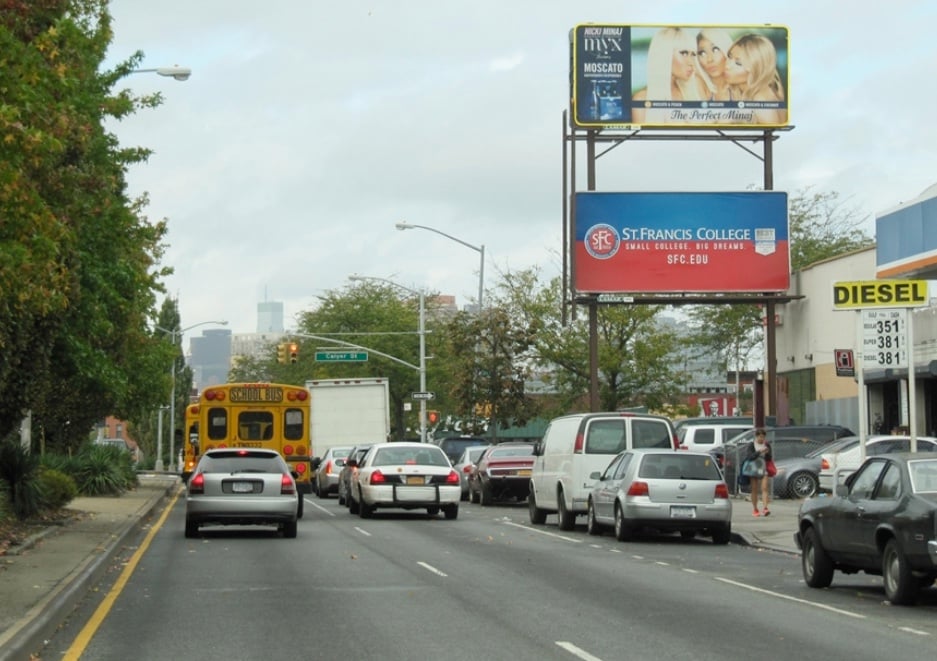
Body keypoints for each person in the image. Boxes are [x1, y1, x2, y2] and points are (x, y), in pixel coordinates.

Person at [631, 26, 702, 124]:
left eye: (693, 54)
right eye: (684, 53)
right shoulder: (641, 100)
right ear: (664, 54)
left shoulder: (691, 94)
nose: (692, 62)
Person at [724, 33, 787, 124]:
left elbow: (773, 133)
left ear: (756, 68)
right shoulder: (754, 93)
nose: (727, 65)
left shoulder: (760, 101)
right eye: (729, 57)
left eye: (738, 63)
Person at [695, 27, 734, 102]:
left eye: (715, 49)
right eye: (702, 53)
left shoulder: (742, 88)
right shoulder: (699, 87)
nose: (710, 59)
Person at [746, 428, 772, 516]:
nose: (761, 439)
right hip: (753, 469)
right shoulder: (751, 445)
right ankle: (755, 509)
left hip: (763, 468)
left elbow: (769, 458)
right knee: (754, 489)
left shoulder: (767, 445)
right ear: (756, 436)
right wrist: (759, 452)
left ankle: (765, 508)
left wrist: (767, 453)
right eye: (760, 437)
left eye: (763, 437)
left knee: (764, 488)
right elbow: (749, 457)